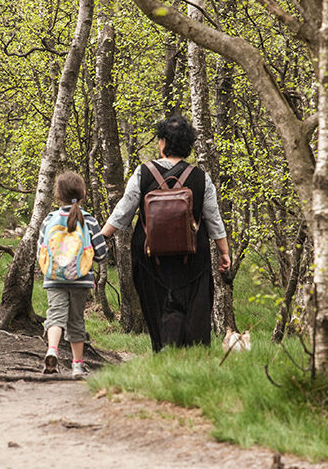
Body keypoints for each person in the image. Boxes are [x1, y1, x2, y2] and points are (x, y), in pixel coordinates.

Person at [99, 115, 231, 352]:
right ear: (188, 145)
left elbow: (123, 211)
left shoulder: (143, 173)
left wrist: (102, 237)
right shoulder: (201, 178)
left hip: (150, 257)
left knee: (157, 306)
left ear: (162, 142)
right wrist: (224, 252)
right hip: (191, 258)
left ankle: (163, 351)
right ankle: (191, 354)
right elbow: (213, 219)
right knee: (191, 305)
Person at [38, 171, 108, 378]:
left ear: (57, 196)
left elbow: (40, 250)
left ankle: (52, 350)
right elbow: (102, 253)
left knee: (55, 316)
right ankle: (77, 366)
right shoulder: (89, 220)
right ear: (84, 194)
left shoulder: (50, 219)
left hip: (53, 278)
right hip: (81, 279)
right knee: (76, 321)